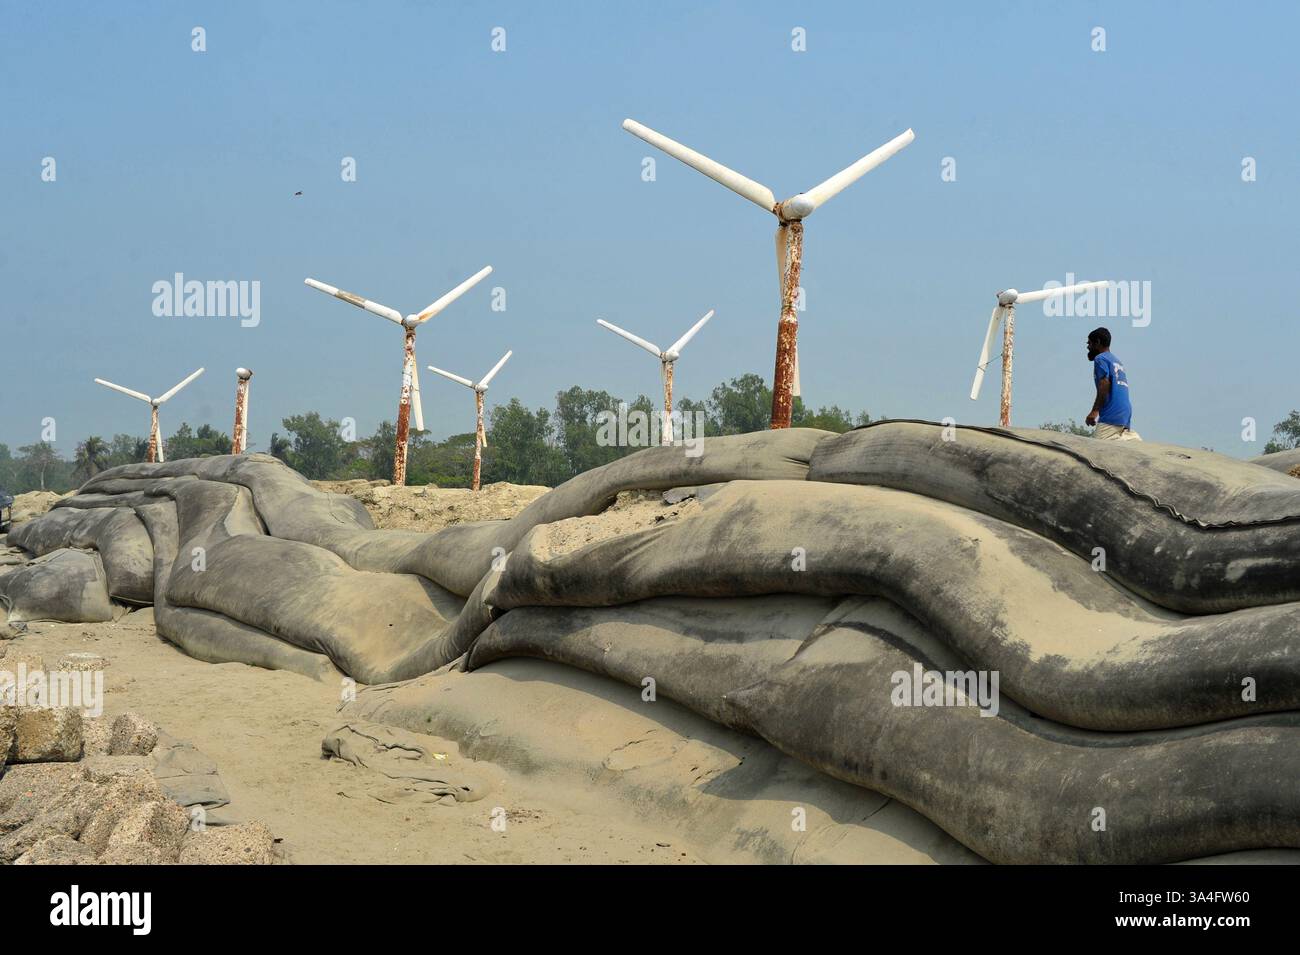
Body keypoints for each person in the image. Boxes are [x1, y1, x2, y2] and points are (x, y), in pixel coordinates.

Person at [1085, 327, 1140, 440]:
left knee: (1096, 450)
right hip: (1125, 415)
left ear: (1098, 342)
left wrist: (1094, 412)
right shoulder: (1117, 362)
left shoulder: (1100, 359)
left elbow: (1105, 384)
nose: (1088, 347)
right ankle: (1131, 437)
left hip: (1111, 415)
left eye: (1089, 343)